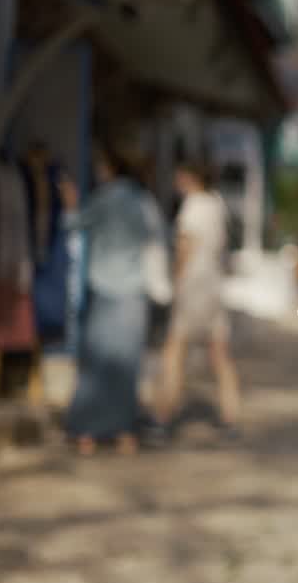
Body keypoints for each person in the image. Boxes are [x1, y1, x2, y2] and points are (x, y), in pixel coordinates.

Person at [60, 143, 163, 456]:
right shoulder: (142, 201)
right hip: (133, 294)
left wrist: (69, 202)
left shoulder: (104, 199)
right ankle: (124, 431)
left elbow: (72, 223)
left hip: (106, 290)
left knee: (96, 366)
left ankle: (86, 432)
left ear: (110, 167)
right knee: (126, 367)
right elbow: (156, 238)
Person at [150, 159, 241, 443]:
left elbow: (184, 249)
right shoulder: (216, 203)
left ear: (189, 177)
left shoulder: (192, 206)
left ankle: (163, 417)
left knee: (174, 351)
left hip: (193, 286)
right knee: (220, 355)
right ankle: (231, 416)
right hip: (213, 285)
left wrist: (174, 285)